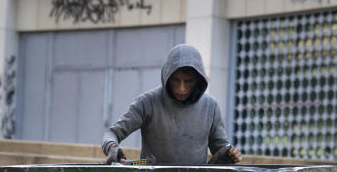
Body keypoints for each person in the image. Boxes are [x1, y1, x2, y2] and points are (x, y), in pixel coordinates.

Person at [102, 44, 242, 165]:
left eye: (188, 81)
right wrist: (112, 148)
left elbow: (221, 148)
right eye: (176, 80)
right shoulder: (147, 102)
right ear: (166, 77)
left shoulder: (210, 107)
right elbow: (112, 133)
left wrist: (229, 154)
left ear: (199, 81)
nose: (182, 88)